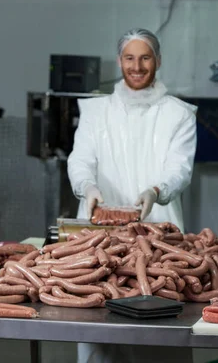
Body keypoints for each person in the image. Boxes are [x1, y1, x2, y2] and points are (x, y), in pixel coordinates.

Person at [67, 28, 197, 363]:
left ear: (158, 61)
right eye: (129, 58)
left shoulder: (178, 113)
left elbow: (179, 169)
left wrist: (157, 191)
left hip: (159, 239)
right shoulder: (97, 112)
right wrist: (87, 188)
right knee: (98, 328)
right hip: (99, 240)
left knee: (159, 333)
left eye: (145, 57)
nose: (136, 66)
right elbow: (80, 160)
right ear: (119, 61)